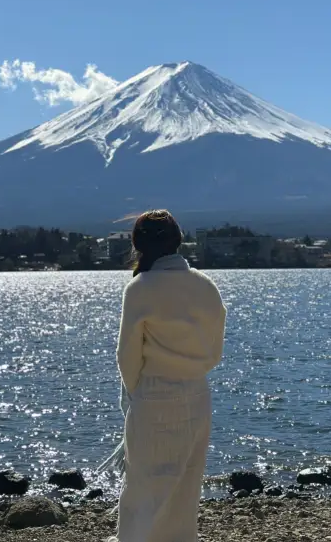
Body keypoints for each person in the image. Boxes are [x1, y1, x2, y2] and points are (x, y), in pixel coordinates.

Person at [110, 209, 226, 542]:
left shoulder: (140, 288)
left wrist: (138, 393)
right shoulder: (206, 287)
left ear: (138, 245)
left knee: (144, 490)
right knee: (185, 490)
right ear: (178, 241)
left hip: (154, 396)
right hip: (198, 396)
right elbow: (214, 353)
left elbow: (127, 356)